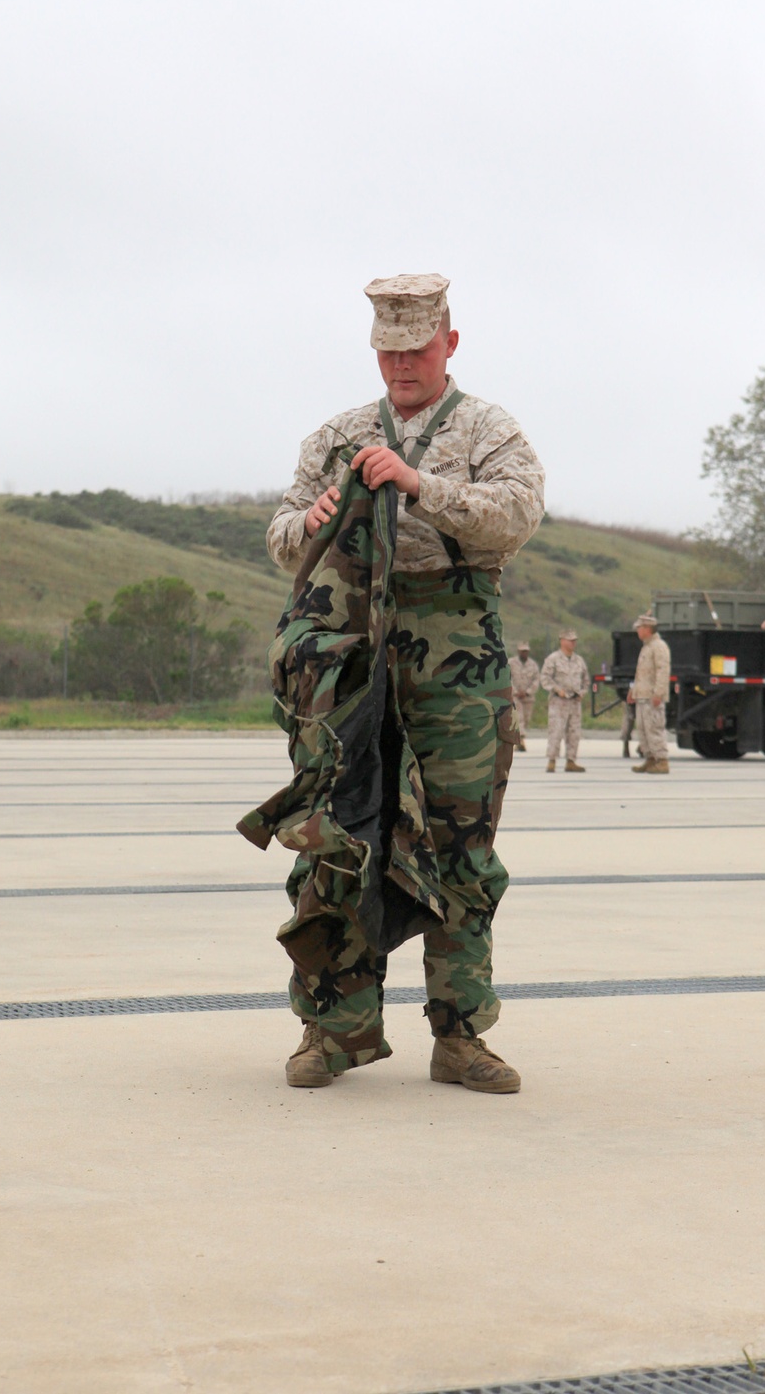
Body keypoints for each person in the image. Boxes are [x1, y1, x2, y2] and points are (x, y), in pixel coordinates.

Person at [258, 273, 544, 1093]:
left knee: (461, 843)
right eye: (387, 351)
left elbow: (518, 513)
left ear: (449, 343)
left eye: (415, 350)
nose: (400, 366)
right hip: (352, 650)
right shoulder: (338, 434)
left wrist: (422, 487)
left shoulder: (488, 428)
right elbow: (281, 539)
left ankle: (460, 1035)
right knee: (341, 836)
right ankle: (332, 1030)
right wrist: (309, 523)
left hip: (456, 651)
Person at [539, 629, 590, 771]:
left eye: (575, 640)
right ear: (562, 641)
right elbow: (545, 678)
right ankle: (552, 760)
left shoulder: (579, 660)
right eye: (570, 640)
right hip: (558, 701)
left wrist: (582, 692)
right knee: (556, 731)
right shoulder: (553, 659)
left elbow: (586, 680)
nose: (573, 643)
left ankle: (571, 761)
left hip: (574, 702)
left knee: (574, 732)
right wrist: (557, 690)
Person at [628, 614, 671, 774]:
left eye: (639, 628)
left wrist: (658, 693)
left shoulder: (658, 646)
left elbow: (662, 671)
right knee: (643, 729)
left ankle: (661, 760)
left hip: (652, 696)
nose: (638, 631)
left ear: (647, 629)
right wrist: (633, 690)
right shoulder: (646, 647)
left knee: (654, 728)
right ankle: (650, 758)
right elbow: (641, 673)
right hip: (642, 695)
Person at [509, 640, 541, 751]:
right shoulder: (511, 663)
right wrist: (515, 691)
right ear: (518, 651)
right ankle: (520, 741)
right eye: (522, 651)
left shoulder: (533, 665)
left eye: (526, 651)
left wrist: (528, 692)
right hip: (515, 696)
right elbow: (507, 678)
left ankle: (518, 740)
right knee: (519, 718)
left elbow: (536, 680)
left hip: (528, 697)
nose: (524, 653)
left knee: (526, 719)